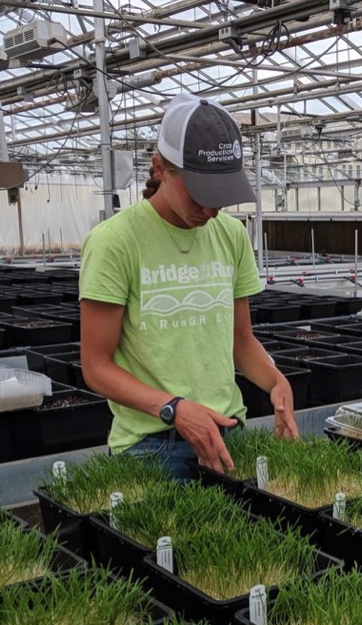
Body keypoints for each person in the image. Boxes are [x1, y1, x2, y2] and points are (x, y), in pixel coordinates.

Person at [79, 92, 299, 480]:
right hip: (152, 446)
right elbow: (96, 367)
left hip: (229, 433)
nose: (212, 210)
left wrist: (275, 380)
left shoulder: (230, 236)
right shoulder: (115, 241)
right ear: (161, 168)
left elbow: (240, 341)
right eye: (201, 194)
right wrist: (175, 409)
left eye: (222, 197)